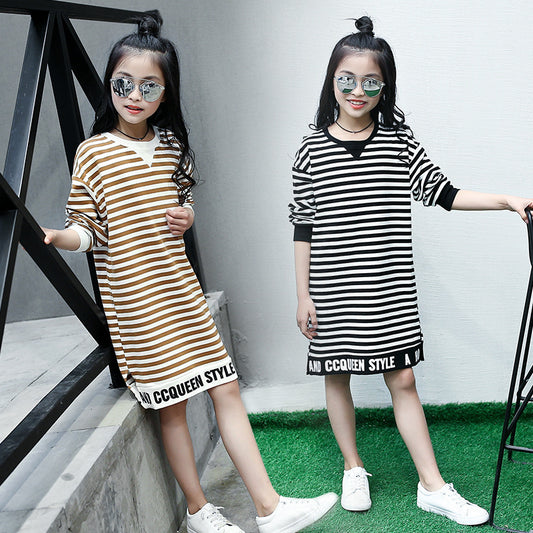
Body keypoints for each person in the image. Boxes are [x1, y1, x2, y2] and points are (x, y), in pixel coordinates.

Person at [42, 11, 337, 533]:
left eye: (149, 86)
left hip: (182, 291)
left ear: (166, 93)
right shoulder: (93, 153)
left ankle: (269, 508)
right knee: (173, 408)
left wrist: (188, 216)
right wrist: (59, 237)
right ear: (109, 83)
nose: (134, 96)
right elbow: (87, 229)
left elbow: (181, 206)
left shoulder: (173, 148)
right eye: (123, 83)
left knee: (225, 388)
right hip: (137, 303)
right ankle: (200, 511)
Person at [289, 15, 533, 528]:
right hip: (332, 288)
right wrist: (303, 295)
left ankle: (433, 487)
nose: (358, 91)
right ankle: (353, 468)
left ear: (386, 87)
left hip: (390, 288)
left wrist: (506, 200)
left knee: (402, 377)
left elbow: (444, 192)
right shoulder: (310, 148)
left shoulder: (399, 141)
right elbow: (302, 225)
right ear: (332, 80)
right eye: (347, 80)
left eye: (371, 82)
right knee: (336, 374)